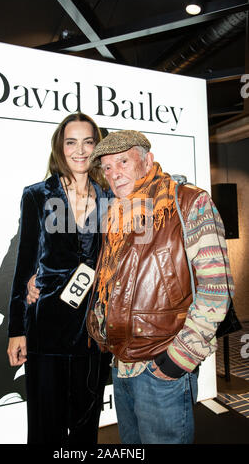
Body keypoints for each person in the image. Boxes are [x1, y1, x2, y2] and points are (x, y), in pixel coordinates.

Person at [85, 129, 234, 444]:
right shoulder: (116, 213)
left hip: (161, 366)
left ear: (147, 159)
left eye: (123, 161)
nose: (114, 173)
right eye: (107, 167)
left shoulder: (189, 201)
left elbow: (215, 290)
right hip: (121, 361)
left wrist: (177, 360)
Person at [7, 112, 111, 445]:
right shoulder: (38, 195)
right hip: (47, 330)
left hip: (93, 333)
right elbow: (24, 266)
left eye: (88, 141)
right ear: (59, 147)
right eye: (71, 142)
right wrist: (16, 330)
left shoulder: (111, 200)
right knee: (44, 429)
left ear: (97, 147)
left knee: (85, 428)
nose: (79, 150)